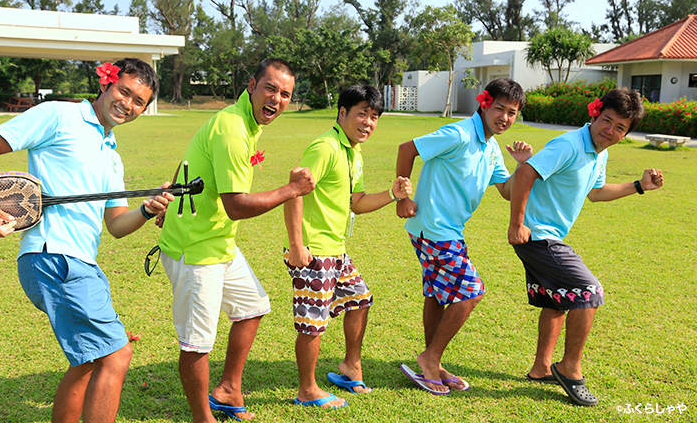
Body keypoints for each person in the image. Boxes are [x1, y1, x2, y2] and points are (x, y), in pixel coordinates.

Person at [0, 58, 174, 423]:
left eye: (138, 101)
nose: (127, 104)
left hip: (81, 263)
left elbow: (115, 225)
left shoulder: (112, 156)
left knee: (86, 361)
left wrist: (147, 210)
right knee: (116, 356)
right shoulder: (59, 116)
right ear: (106, 84)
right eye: (124, 92)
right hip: (54, 258)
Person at [157, 58, 315, 422]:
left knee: (252, 307)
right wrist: (291, 190)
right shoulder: (232, 129)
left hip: (217, 243)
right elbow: (237, 206)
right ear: (252, 85)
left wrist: (173, 198)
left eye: (285, 94)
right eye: (270, 88)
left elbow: (192, 164)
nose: (277, 98)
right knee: (198, 343)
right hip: (196, 248)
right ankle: (203, 417)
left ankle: (228, 389)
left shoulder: (243, 121)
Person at [508, 87, 664, 406]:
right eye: (607, 121)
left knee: (558, 301)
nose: (611, 130)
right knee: (588, 292)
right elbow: (525, 173)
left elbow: (596, 192)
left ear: (627, 132)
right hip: (536, 235)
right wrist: (517, 223)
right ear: (595, 114)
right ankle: (570, 368)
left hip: (547, 235)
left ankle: (541, 368)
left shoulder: (599, 152)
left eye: (620, 127)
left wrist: (639, 186)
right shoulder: (568, 145)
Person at [395, 77, 531, 395]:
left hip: (448, 230)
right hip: (433, 229)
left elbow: (507, 192)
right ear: (484, 103)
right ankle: (431, 357)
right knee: (471, 293)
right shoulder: (457, 133)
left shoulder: (492, 147)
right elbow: (407, 149)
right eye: (500, 109)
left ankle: (433, 361)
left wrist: (523, 167)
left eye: (512, 113)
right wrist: (403, 197)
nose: (505, 118)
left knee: (437, 294)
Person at [283, 84, 411, 408]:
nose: (368, 122)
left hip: (336, 250)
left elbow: (357, 202)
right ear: (342, 113)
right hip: (315, 252)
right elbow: (294, 191)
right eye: (362, 113)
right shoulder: (325, 147)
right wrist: (297, 247)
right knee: (313, 324)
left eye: (374, 116)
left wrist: (393, 194)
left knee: (360, 299)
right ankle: (308, 390)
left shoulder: (353, 152)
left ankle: (350, 367)